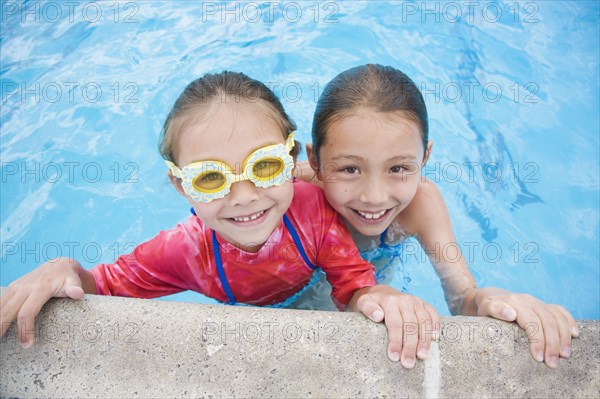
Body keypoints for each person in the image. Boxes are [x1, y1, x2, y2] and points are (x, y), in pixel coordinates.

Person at [0, 71, 440, 369]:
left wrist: (383, 297)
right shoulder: (185, 252)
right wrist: (62, 270)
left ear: (289, 161)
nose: (243, 196)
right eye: (211, 177)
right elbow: (103, 286)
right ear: (181, 186)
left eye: (264, 167)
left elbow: (356, 285)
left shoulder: (315, 212)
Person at [300, 64, 578, 369]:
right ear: (314, 161)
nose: (375, 196)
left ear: (425, 157)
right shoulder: (287, 192)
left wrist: (490, 299)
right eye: (350, 169)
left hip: (374, 286)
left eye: (398, 168)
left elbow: (461, 298)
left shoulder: (421, 205)